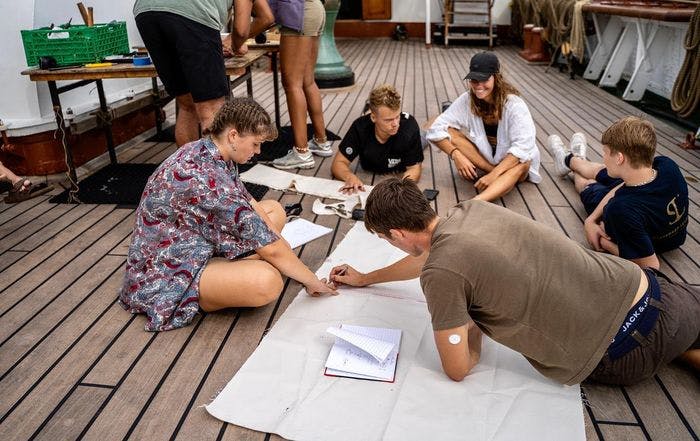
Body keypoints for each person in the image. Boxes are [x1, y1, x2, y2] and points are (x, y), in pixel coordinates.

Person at [329, 178, 700, 386]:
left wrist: (469, 319)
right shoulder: (471, 209)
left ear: (396, 233)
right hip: (652, 288)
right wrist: (367, 278)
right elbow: (433, 257)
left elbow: (457, 368)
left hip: (623, 351)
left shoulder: (442, 274)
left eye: (385, 239)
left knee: (675, 342)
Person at [120, 98, 336, 331]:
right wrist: (311, 281)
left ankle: (246, 264)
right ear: (233, 136)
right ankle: (214, 284)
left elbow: (251, 204)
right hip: (165, 273)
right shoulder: (211, 182)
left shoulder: (208, 150)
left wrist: (278, 251)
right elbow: (270, 246)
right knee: (268, 281)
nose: (258, 151)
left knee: (274, 210)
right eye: (255, 144)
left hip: (190, 241)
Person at [548, 116, 689, 269]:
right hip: (675, 237)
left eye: (605, 152)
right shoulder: (667, 166)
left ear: (620, 158)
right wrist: (591, 219)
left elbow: (651, 265)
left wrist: (603, 242)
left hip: (641, 239)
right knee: (602, 171)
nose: (603, 156)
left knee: (589, 185)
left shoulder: (620, 211)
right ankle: (570, 160)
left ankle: (574, 166)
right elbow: (624, 187)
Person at [134, 0, 274, 146]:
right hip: (194, 12)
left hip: (146, 12)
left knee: (187, 104)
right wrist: (236, 45)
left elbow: (264, 18)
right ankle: (215, 169)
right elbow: (244, 28)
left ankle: (189, 168)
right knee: (212, 109)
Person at [426, 51, 541, 202]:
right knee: (449, 131)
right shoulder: (468, 99)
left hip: (514, 166)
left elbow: (523, 148)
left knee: (523, 162)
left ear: (496, 77)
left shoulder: (514, 105)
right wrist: (456, 155)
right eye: (474, 80)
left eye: (484, 79)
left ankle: (477, 202)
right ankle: (497, 177)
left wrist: (493, 176)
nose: (478, 85)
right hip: (489, 163)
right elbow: (435, 127)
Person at [271, 0, 332, 170]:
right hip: (315, 9)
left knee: (292, 84)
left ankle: (302, 152)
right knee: (307, 80)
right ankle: (321, 141)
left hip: (298, 12)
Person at [331, 84, 424, 194]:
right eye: (388, 120)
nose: (395, 124)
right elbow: (338, 163)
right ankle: (369, 110)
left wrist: (402, 187)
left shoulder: (409, 127)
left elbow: (414, 168)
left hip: (407, 146)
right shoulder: (360, 127)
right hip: (372, 158)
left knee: (425, 137)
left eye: (397, 116)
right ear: (373, 117)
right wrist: (349, 177)